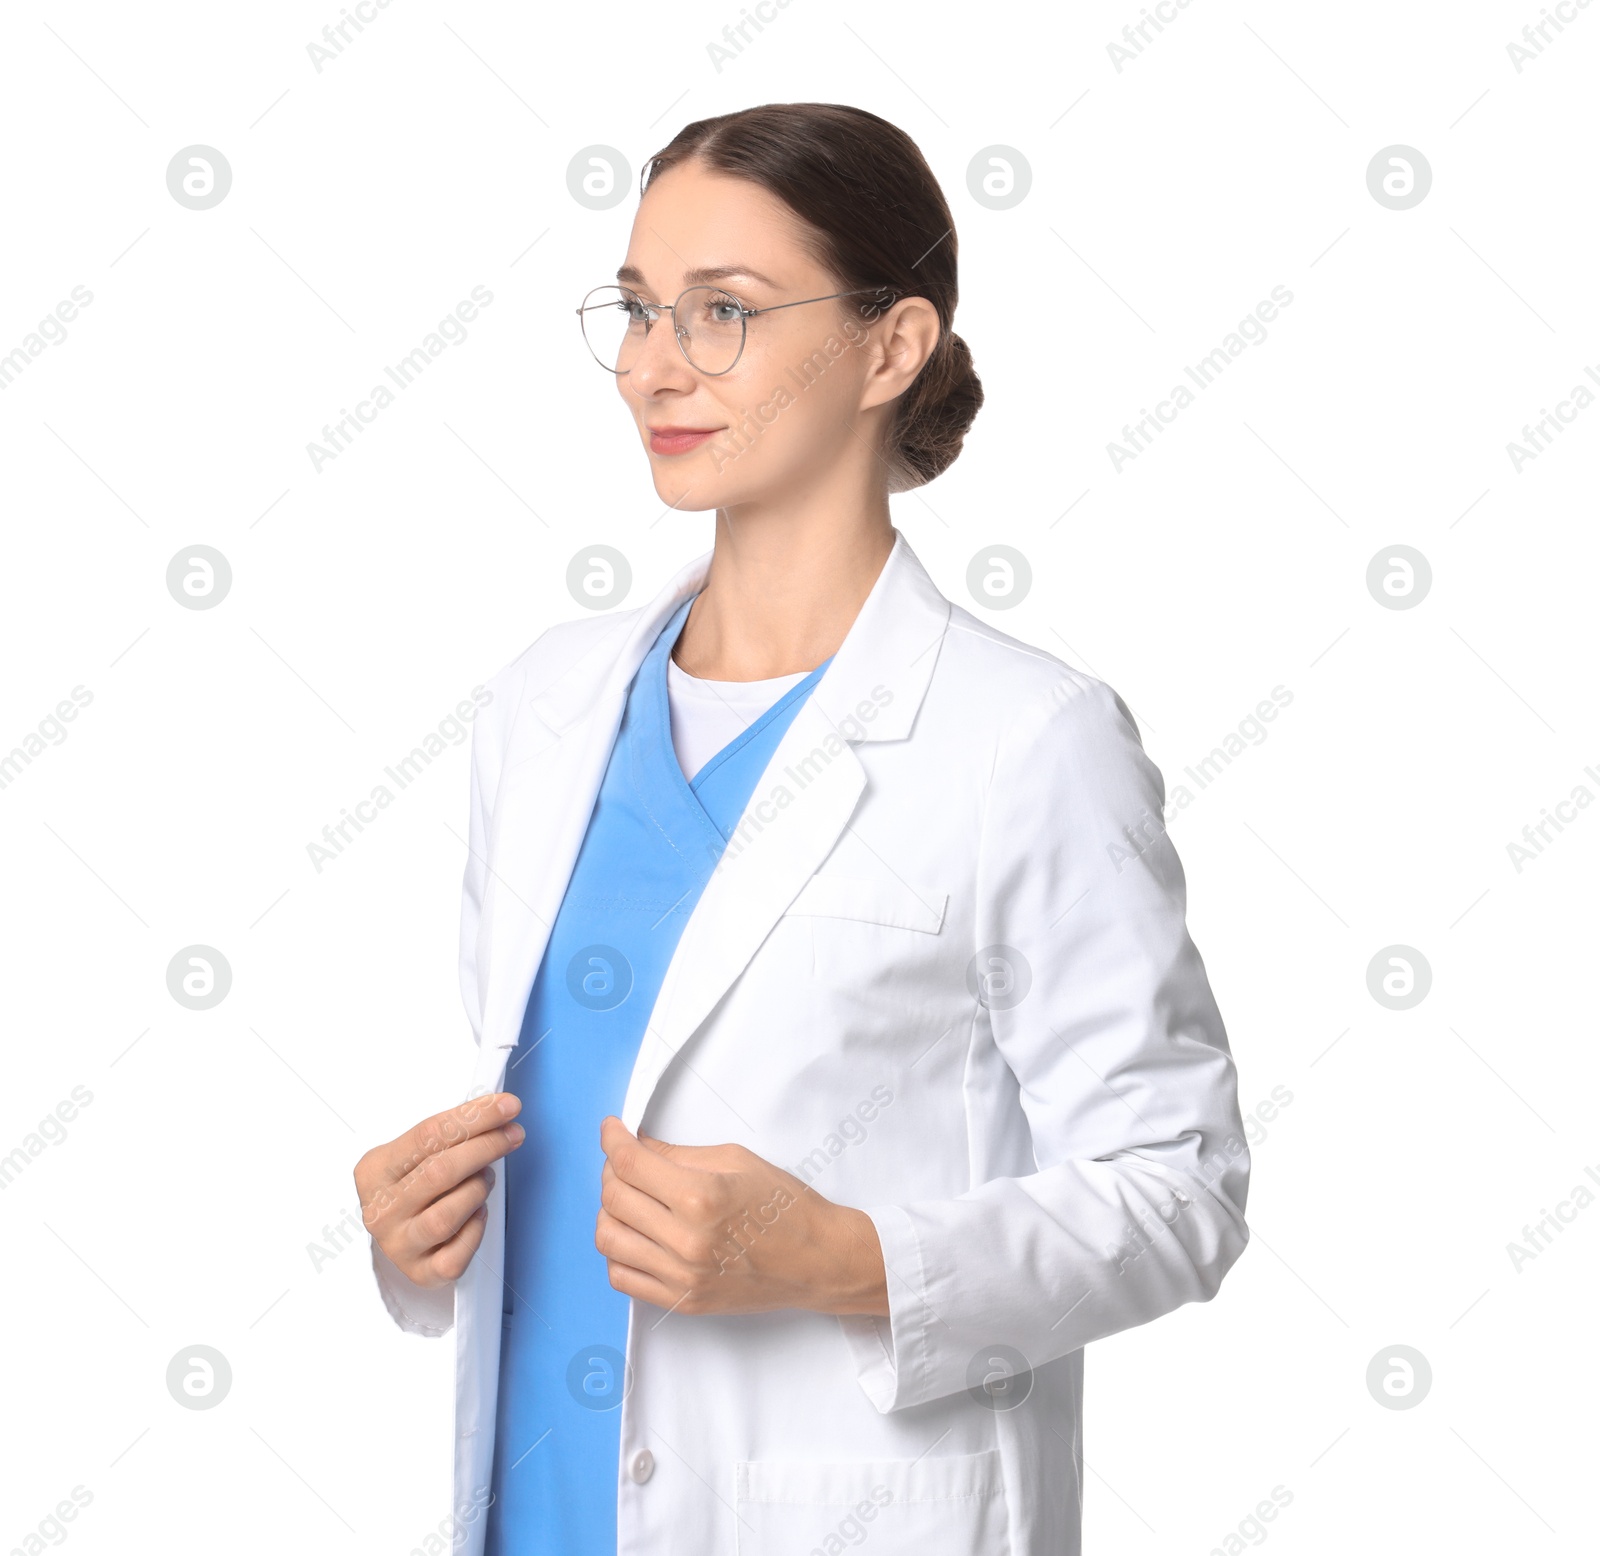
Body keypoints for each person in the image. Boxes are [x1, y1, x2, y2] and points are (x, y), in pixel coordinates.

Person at [354, 101, 1250, 1556]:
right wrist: (422, 1240)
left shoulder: (1025, 739)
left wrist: (848, 1259)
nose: (655, 366)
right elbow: (555, 1151)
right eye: (640, 310)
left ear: (891, 348)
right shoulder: (544, 707)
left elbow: (1180, 1189)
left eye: (725, 312)